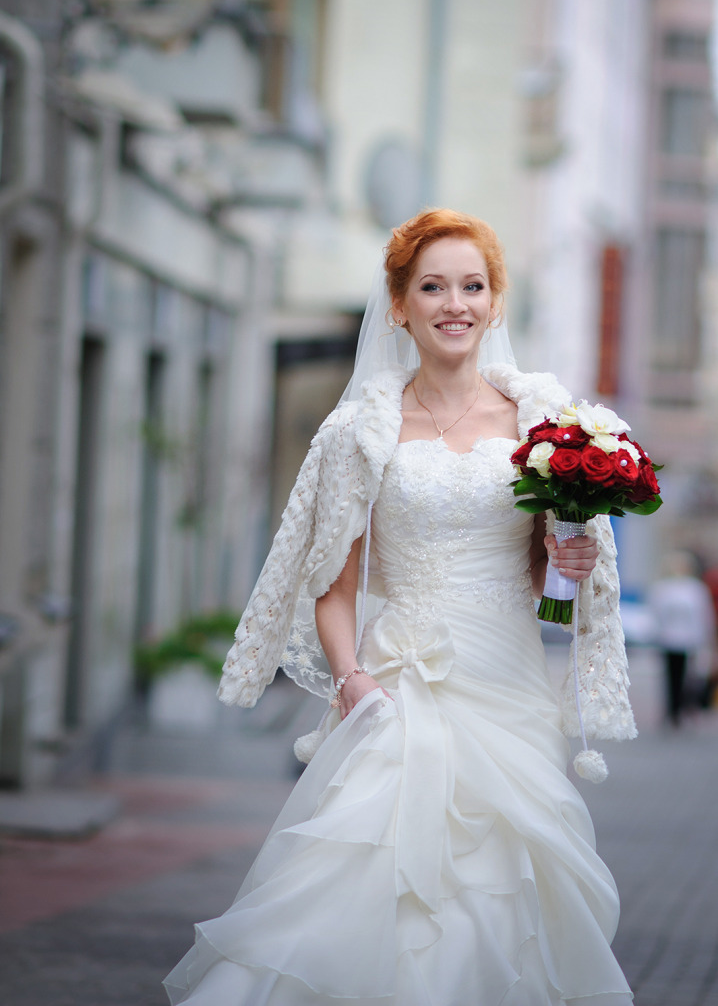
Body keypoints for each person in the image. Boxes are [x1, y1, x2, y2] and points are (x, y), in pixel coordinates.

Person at [164, 209, 636, 1005]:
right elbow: (334, 585)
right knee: (363, 884)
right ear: (399, 306)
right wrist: (351, 682)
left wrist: (570, 562)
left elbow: (551, 601)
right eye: (433, 287)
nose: (456, 304)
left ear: (495, 301)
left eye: (473, 286)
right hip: (399, 689)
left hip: (508, 693)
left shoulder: (544, 429)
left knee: (504, 898)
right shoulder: (361, 430)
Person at [648, 550, 717, 725]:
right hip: (669, 639)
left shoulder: (694, 588)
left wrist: (703, 636)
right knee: (670, 675)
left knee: (687, 675)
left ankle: (682, 707)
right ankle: (672, 709)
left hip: (688, 639)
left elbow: (702, 614)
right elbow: (656, 613)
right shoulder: (663, 587)